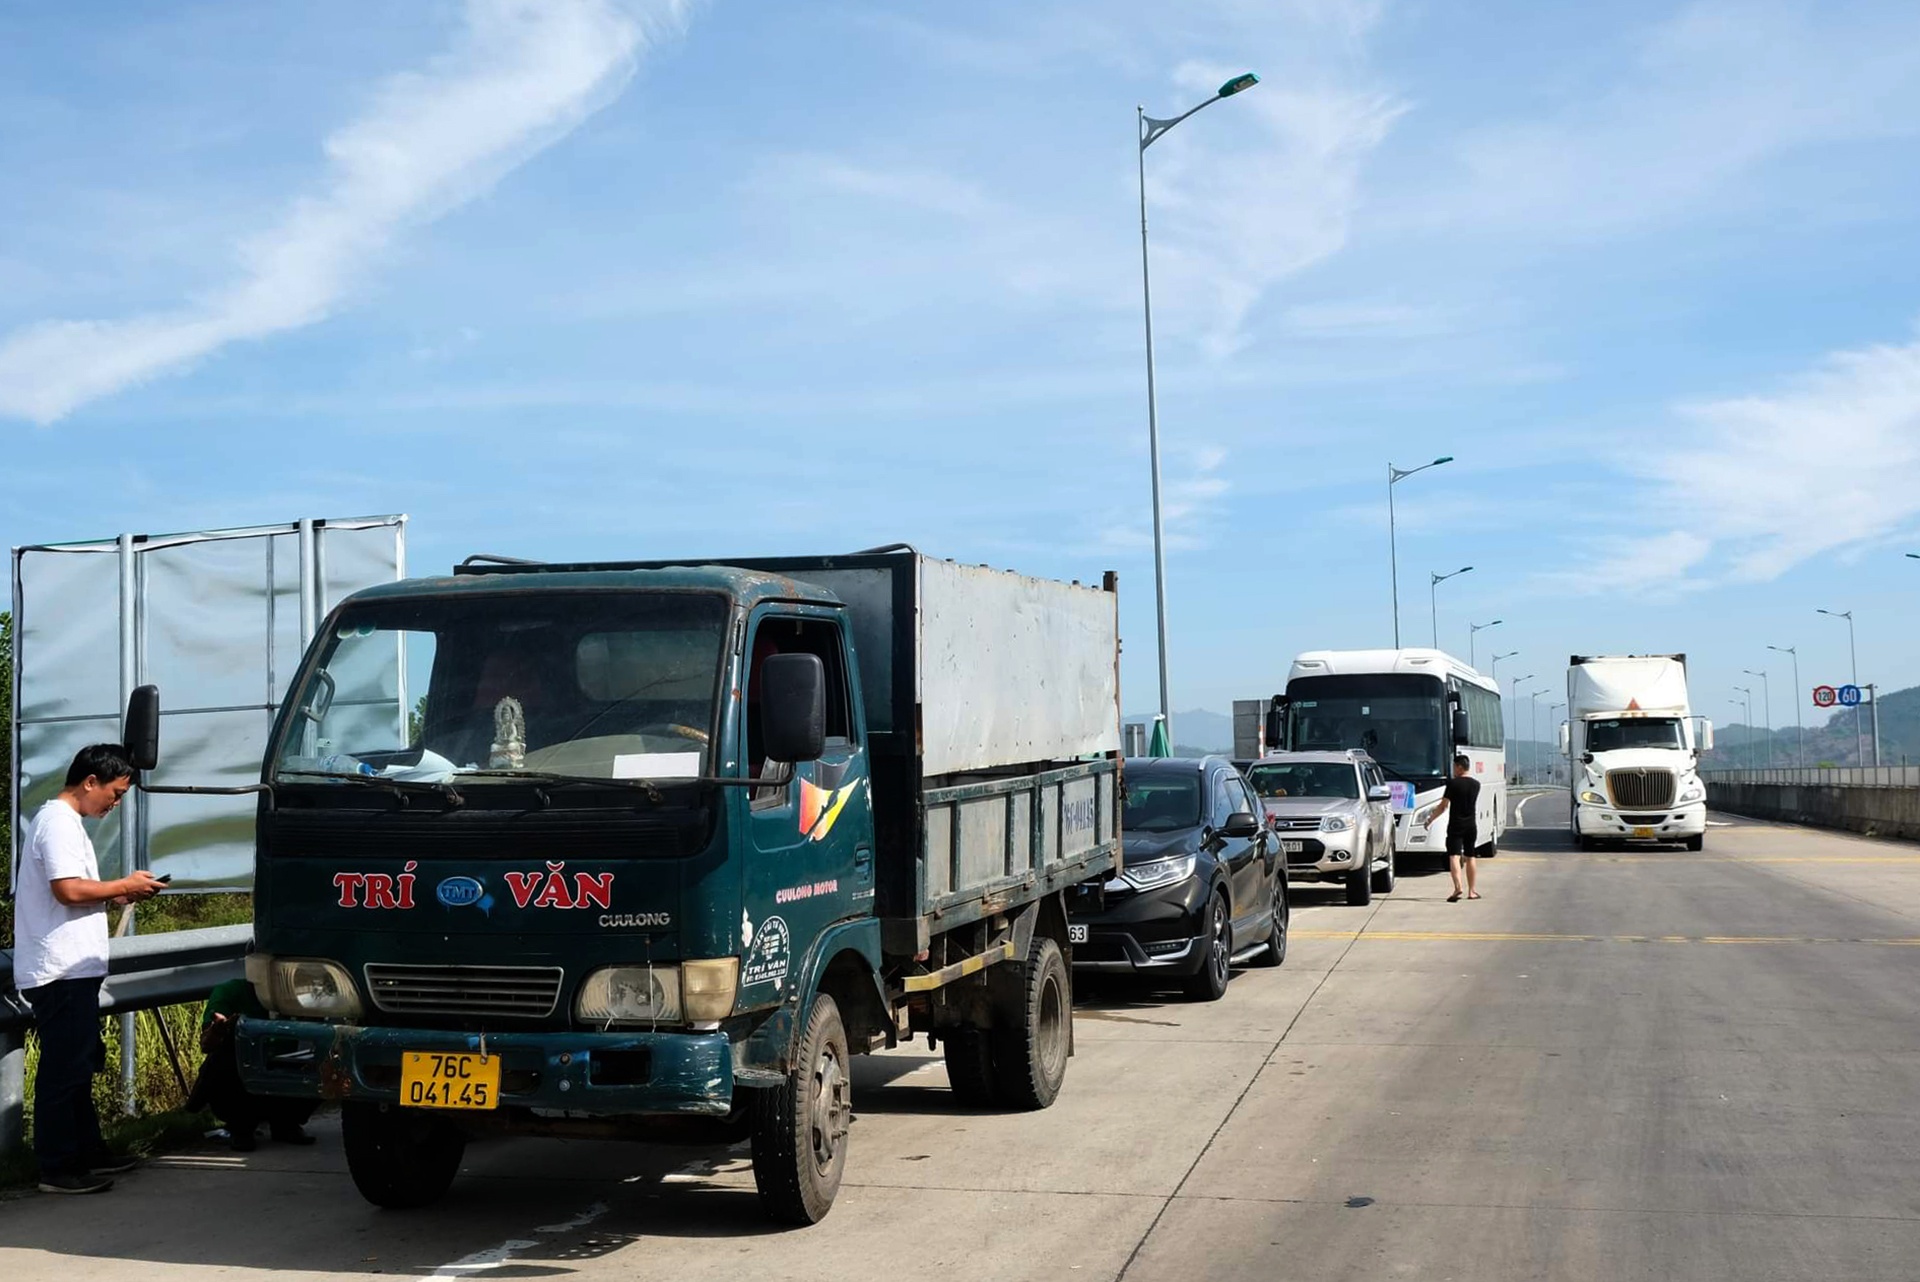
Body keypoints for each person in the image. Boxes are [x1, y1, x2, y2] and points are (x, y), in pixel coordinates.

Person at [12, 744, 165, 1194]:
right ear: (90, 781)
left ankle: (87, 1153)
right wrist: (123, 884)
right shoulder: (57, 824)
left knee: (79, 1065)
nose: (116, 804)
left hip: (74, 967)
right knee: (64, 1069)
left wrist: (118, 894)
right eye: (115, 793)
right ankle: (57, 1167)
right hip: (58, 969)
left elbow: (78, 891)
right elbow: (66, 891)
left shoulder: (66, 823)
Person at [185, 978, 317, 1151]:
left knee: (328, 1056)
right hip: (244, 1073)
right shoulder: (230, 992)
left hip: (282, 1068)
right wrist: (218, 1030)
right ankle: (241, 1127)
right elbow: (207, 1044)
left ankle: (286, 1122)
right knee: (223, 1057)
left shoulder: (299, 992)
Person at [1424, 754, 1482, 903]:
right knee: (1471, 856)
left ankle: (1458, 887)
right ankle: (1472, 891)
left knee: (1454, 856)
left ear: (1460, 767)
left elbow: (1443, 806)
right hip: (1471, 825)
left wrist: (1430, 819)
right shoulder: (1476, 784)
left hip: (1456, 825)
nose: (1453, 769)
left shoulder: (1453, 784)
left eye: (1455, 766)